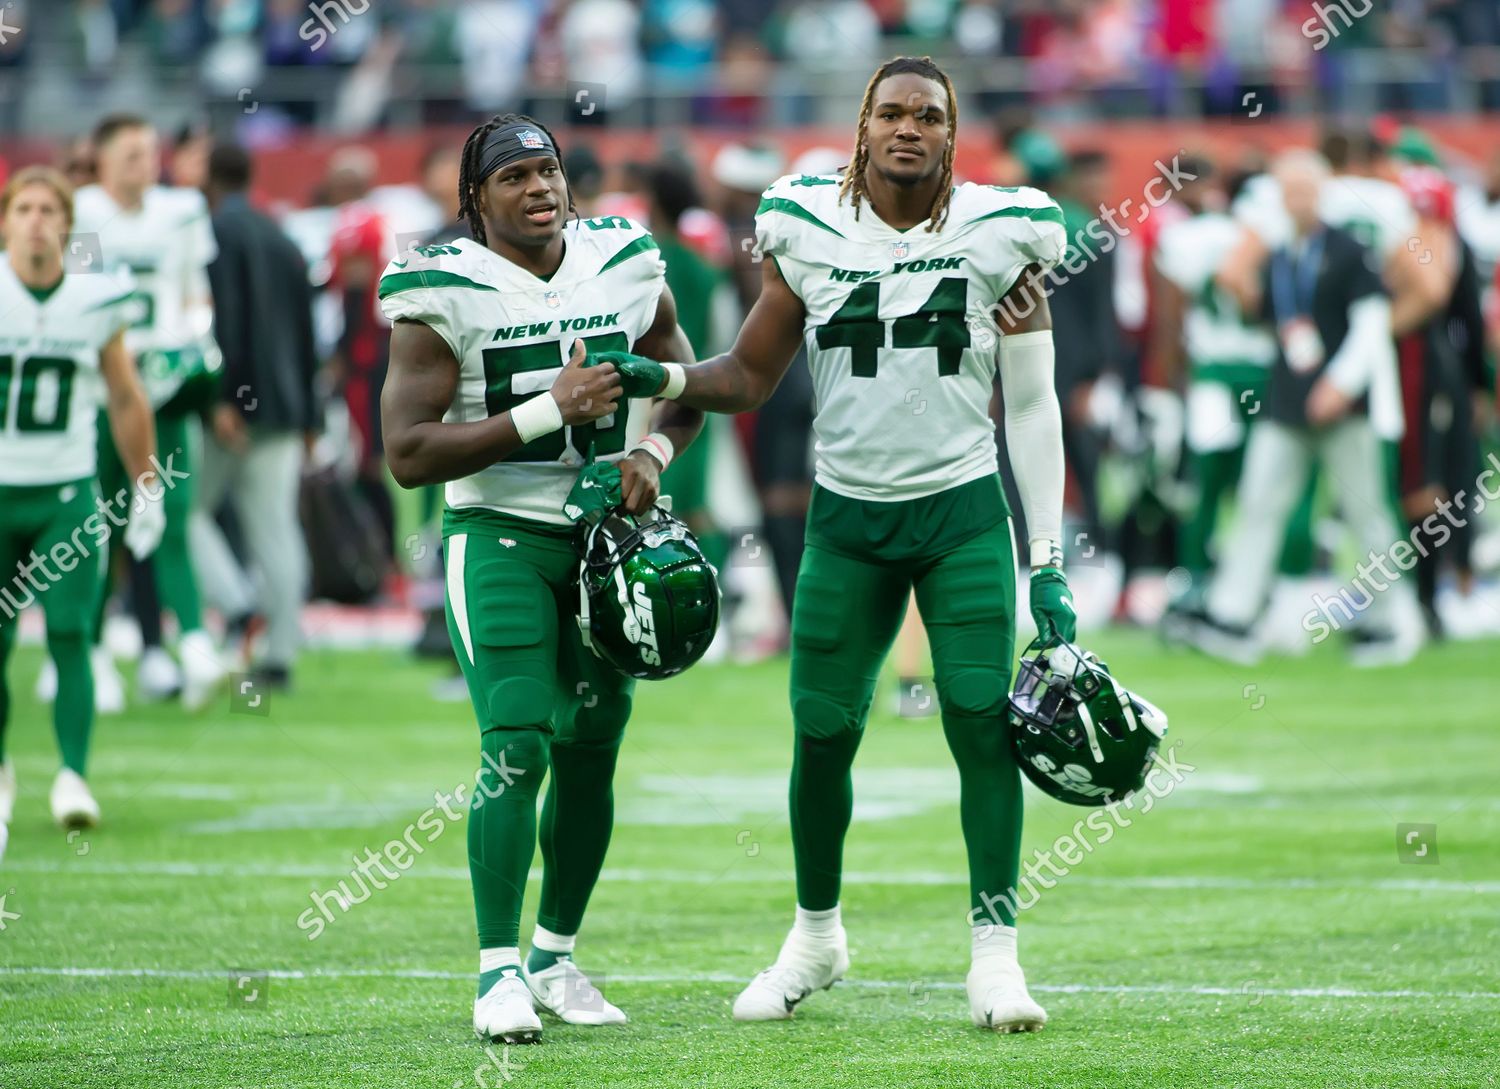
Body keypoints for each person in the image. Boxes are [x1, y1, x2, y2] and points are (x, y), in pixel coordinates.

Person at [616, 55, 1074, 1032]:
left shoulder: (1005, 233)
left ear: (952, 135)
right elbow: (745, 375)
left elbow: (1033, 408)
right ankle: (816, 934)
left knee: (979, 720)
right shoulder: (806, 231)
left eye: (930, 115)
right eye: (892, 112)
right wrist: (658, 382)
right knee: (821, 733)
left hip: (960, 513)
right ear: (862, 128)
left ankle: (996, 954)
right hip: (847, 520)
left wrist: (1048, 564)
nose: (909, 127)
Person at [378, 114, 704, 1044]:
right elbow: (406, 452)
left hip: (604, 537)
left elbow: (686, 391)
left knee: (596, 736)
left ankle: (557, 955)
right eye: (515, 175)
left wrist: (648, 449)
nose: (540, 188)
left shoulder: (626, 259)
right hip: (500, 535)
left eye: (549, 169)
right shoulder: (442, 283)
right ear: (475, 199)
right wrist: (542, 412)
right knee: (516, 737)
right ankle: (496, 971)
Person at [1196, 150, 1421, 667]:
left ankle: (1388, 622)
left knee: (1366, 511)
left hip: (1344, 405)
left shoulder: (1348, 250)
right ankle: (1233, 614)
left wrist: (1340, 385)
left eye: (1305, 190)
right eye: (1287, 191)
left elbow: (1370, 327)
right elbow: (1277, 323)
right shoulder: (1279, 255)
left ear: (1321, 194)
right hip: (1288, 400)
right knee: (1258, 502)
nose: (1296, 201)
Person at [0, 166, 162, 837]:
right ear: (6, 220)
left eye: (49, 210)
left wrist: (147, 484)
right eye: (24, 208)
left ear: (67, 227)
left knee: (72, 633)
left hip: (66, 493)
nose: (36, 220)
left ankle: (72, 772)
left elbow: (125, 396)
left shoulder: (96, 299)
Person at [72, 113, 226, 711]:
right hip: (105, 384)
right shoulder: (82, 211)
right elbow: (80, 295)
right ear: (103, 157)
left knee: (171, 512)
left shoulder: (181, 210)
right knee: (97, 523)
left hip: (165, 384)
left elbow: (194, 292)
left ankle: (191, 644)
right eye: (131, 153)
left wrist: (193, 343)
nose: (144, 163)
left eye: (148, 151)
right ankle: (90, 652)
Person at [191, 143, 320, 688]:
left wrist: (226, 396)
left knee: (183, 513)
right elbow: (306, 334)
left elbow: (232, 319)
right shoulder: (283, 236)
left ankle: (239, 607)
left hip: (239, 405)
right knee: (275, 528)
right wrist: (312, 414)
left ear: (207, 175)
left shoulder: (216, 230)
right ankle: (280, 653)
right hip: (287, 406)